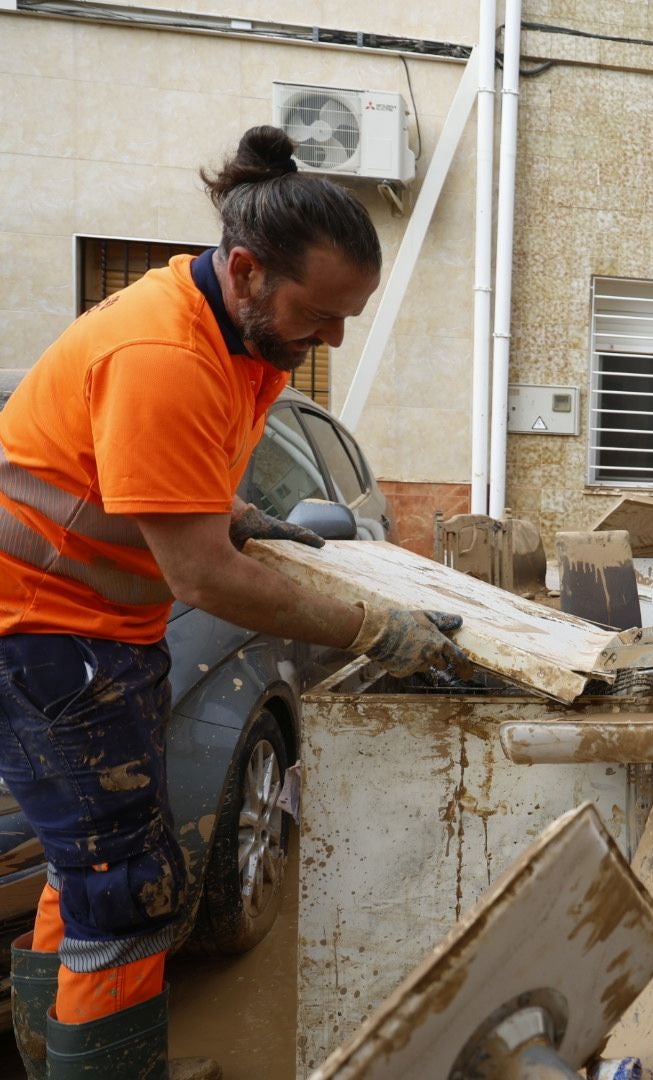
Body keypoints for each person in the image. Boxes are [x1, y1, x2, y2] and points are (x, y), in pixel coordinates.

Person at [0, 126, 466, 1079]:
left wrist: (247, 514)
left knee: (85, 862)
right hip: (44, 636)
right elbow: (204, 579)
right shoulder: (161, 351)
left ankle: (54, 1048)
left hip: (97, 628)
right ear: (247, 269)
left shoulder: (240, 335)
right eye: (321, 313)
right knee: (125, 891)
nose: (333, 337)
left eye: (350, 318)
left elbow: (151, 473)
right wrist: (376, 626)